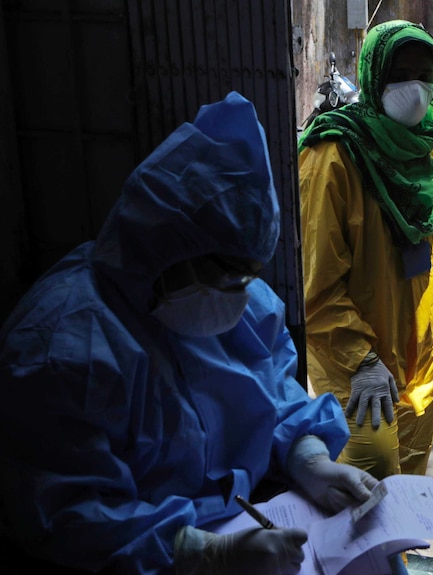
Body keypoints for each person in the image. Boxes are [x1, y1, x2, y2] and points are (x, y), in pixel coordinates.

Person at [0, 92, 378, 575]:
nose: (243, 292)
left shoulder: (237, 304)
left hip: (242, 518)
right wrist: (200, 552)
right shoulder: (60, 350)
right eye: (229, 275)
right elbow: (65, 512)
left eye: (248, 274)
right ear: (166, 247)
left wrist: (308, 457)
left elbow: (276, 391)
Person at [298, 20, 433, 480]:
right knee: (365, 482)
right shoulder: (333, 155)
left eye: (424, 73)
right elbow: (315, 282)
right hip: (359, 364)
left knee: (409, 483)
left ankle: (402, 558)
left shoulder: (427, 153)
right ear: (374, 75)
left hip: (421, 358)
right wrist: (362, 360)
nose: (415, 87)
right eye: (400, 72)